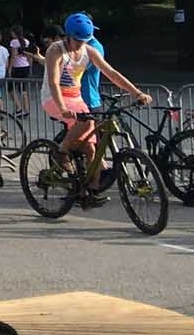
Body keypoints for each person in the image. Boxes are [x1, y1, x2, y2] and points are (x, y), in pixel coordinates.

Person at [43, 13, 152, 203]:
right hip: (54, 98)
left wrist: (137, 93)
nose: (80, 44)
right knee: (87, 122)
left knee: (91, 148)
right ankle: (61, 152)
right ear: (68, 36)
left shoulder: (89, 51)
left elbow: (112, 73)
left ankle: (91, 192)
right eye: (77, 40)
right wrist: (62, 107)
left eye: (84, 40)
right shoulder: (56, 50)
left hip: (76, 98)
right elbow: (53, 82)